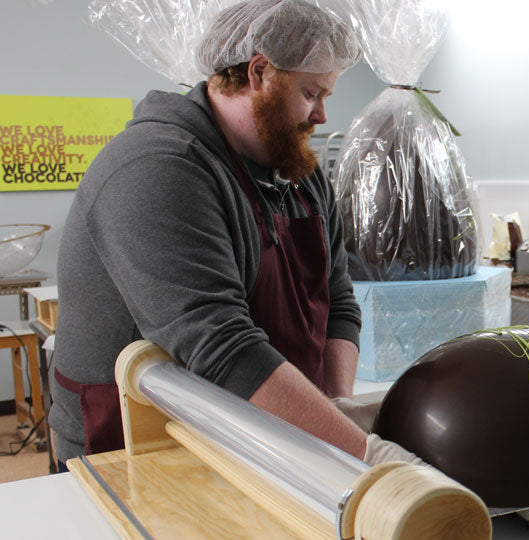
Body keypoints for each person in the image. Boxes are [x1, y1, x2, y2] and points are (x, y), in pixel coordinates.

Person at [50, 0, 414, 468]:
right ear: (259, 73)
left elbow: (337, 300)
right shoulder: (157, 168)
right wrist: (367, 456)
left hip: (259, 428)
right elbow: (220, 345)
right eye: (310, 93)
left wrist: (335, 406)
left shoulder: (299, 175)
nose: (322, 114)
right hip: (136, 445)